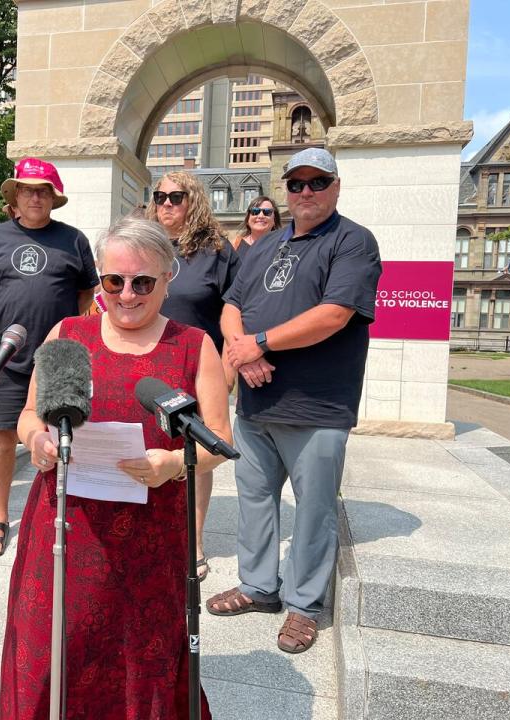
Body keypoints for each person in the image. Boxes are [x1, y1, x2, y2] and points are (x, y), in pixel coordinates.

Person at [0, 215, 232, 719]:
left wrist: (173, 461)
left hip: (149, 541)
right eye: (113, 281)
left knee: (137, 658)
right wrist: (36, 440)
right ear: (100, 279)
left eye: (142, 282)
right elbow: (26, 416)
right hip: (65, 528)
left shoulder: (194, 346)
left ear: (168, 279)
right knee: (58, 649)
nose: (127, 294)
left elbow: (219, 443)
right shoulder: (68, 332)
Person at [208, 147, 382, 654]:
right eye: (297, 183)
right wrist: (242, 353)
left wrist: (258, 344)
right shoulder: (265, 244)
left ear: (336, 186)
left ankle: (304, 607)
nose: (306, 192)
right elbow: (232, 305)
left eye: (317, 182)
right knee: (255, 500)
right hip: (257, 405)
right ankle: (258, 586)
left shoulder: (352, 242)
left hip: (317, 406)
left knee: (314, 510)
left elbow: (335, 313)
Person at [0, 157, 99, 556]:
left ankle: (61, 515)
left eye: (43, 190)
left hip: (58, 357)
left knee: (64, 437)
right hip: (8, 356)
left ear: (53, 197)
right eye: (27, 189)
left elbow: (86, 294)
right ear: (15, 196)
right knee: (4, 435)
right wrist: (9, 328)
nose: (35, 197)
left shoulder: (73, 239)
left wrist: (66, 331)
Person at [147, 170, 239, 582]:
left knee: (197, 457)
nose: (167, 203)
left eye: (176, 196)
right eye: (160, 196)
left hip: (199, 366)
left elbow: (236, 310)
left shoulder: (217, 251)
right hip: (147, 365)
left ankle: (194, 541)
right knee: (150, 450)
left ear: (194, 200)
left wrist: (229, 367)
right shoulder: (144, 244)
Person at [232, 195, 282, 262]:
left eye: (267, 212)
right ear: (248, 219)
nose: (261, 216)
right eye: (255, 211)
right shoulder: (235, 245)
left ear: (274, 220)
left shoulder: (282, 248)